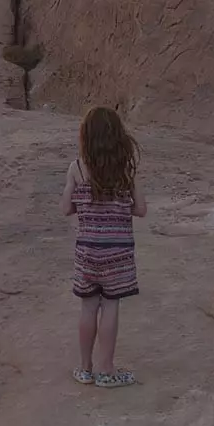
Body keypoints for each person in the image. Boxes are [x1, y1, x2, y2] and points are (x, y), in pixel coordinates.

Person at [60, 106, 147, 389]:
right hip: (117, 253)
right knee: (110, 306)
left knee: (88, 307)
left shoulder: (76, 168)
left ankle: (85, 369)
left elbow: (65, 208)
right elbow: (141, 209)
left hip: (87, 252)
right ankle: (107, 371)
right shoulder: (124, 170)